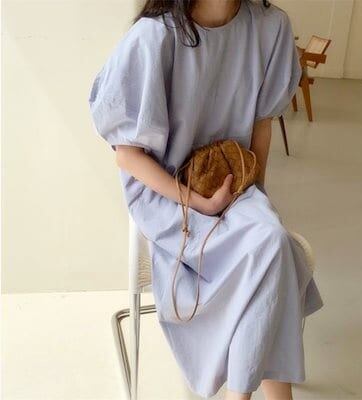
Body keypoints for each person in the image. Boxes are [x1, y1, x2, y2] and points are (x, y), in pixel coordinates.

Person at [88, 0, 324, 399]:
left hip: (234, 186)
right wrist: (199, 204)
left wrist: (253, 194)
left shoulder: (271, 27)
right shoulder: (154, 37)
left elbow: (261, 125)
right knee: (272, 250)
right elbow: (127, 155)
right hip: (169, 193)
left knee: (269, 242)